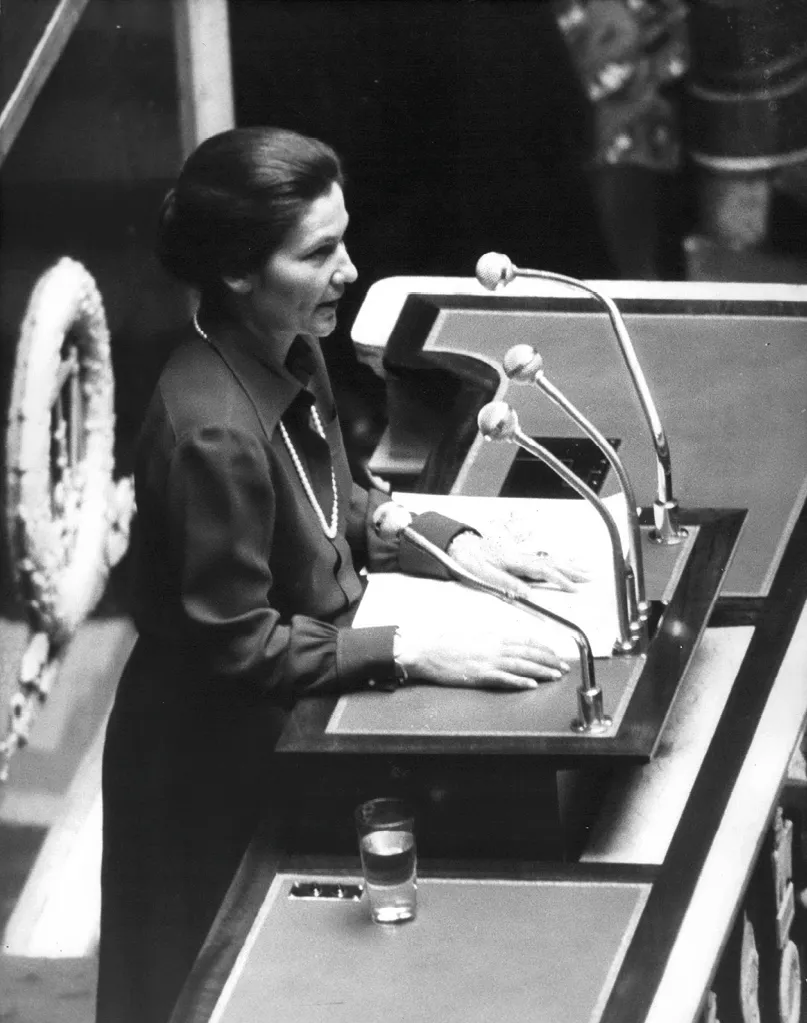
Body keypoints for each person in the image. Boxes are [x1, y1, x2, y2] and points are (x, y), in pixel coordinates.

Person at [96, 127, 584, 1023]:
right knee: (212, 988)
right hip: (210, 766)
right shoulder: (209, 430)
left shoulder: (290, 345)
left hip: (294, 721)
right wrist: (414, 646)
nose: (350, 269)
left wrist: (449, 539)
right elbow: (241, 645)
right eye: (319, 251)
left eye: (344, 238)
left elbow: (336, 498)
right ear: (239, 271)